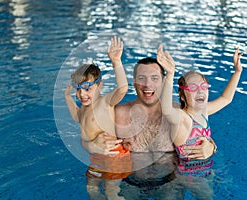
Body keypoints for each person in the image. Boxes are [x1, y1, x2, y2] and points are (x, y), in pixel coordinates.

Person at [92, 55, 217, 199]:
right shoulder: (118, 114)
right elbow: (97, 146)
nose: (147, 85)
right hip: (130, 182)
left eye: (154, 78)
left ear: (164, 82)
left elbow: (199, 133)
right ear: (134, 82)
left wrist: (211, 148)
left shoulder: (178, 114)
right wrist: (94, 144)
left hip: (170, 183)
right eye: (141, 78)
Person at [157, 44, 243, 199]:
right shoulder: (182, 118)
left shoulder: (204, 112)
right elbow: (166, 109)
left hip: (204, 169)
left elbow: (226, 98)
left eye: (204, 86)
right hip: (189, 176)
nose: (200, 90)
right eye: (193, 87)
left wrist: (237, 72)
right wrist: (170, 74)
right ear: (182, 96)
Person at [64, 36, 131, 200]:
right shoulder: (83, 110)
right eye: (78, 89)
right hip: (96, 158)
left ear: (99, 85)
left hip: (114, 157)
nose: (82, 94)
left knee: (111, 192)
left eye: (87, 88)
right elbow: (75, 117)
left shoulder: (105, 103)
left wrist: (116, 62)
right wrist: (67, 96)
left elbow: (122, 89)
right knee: (91, 188)